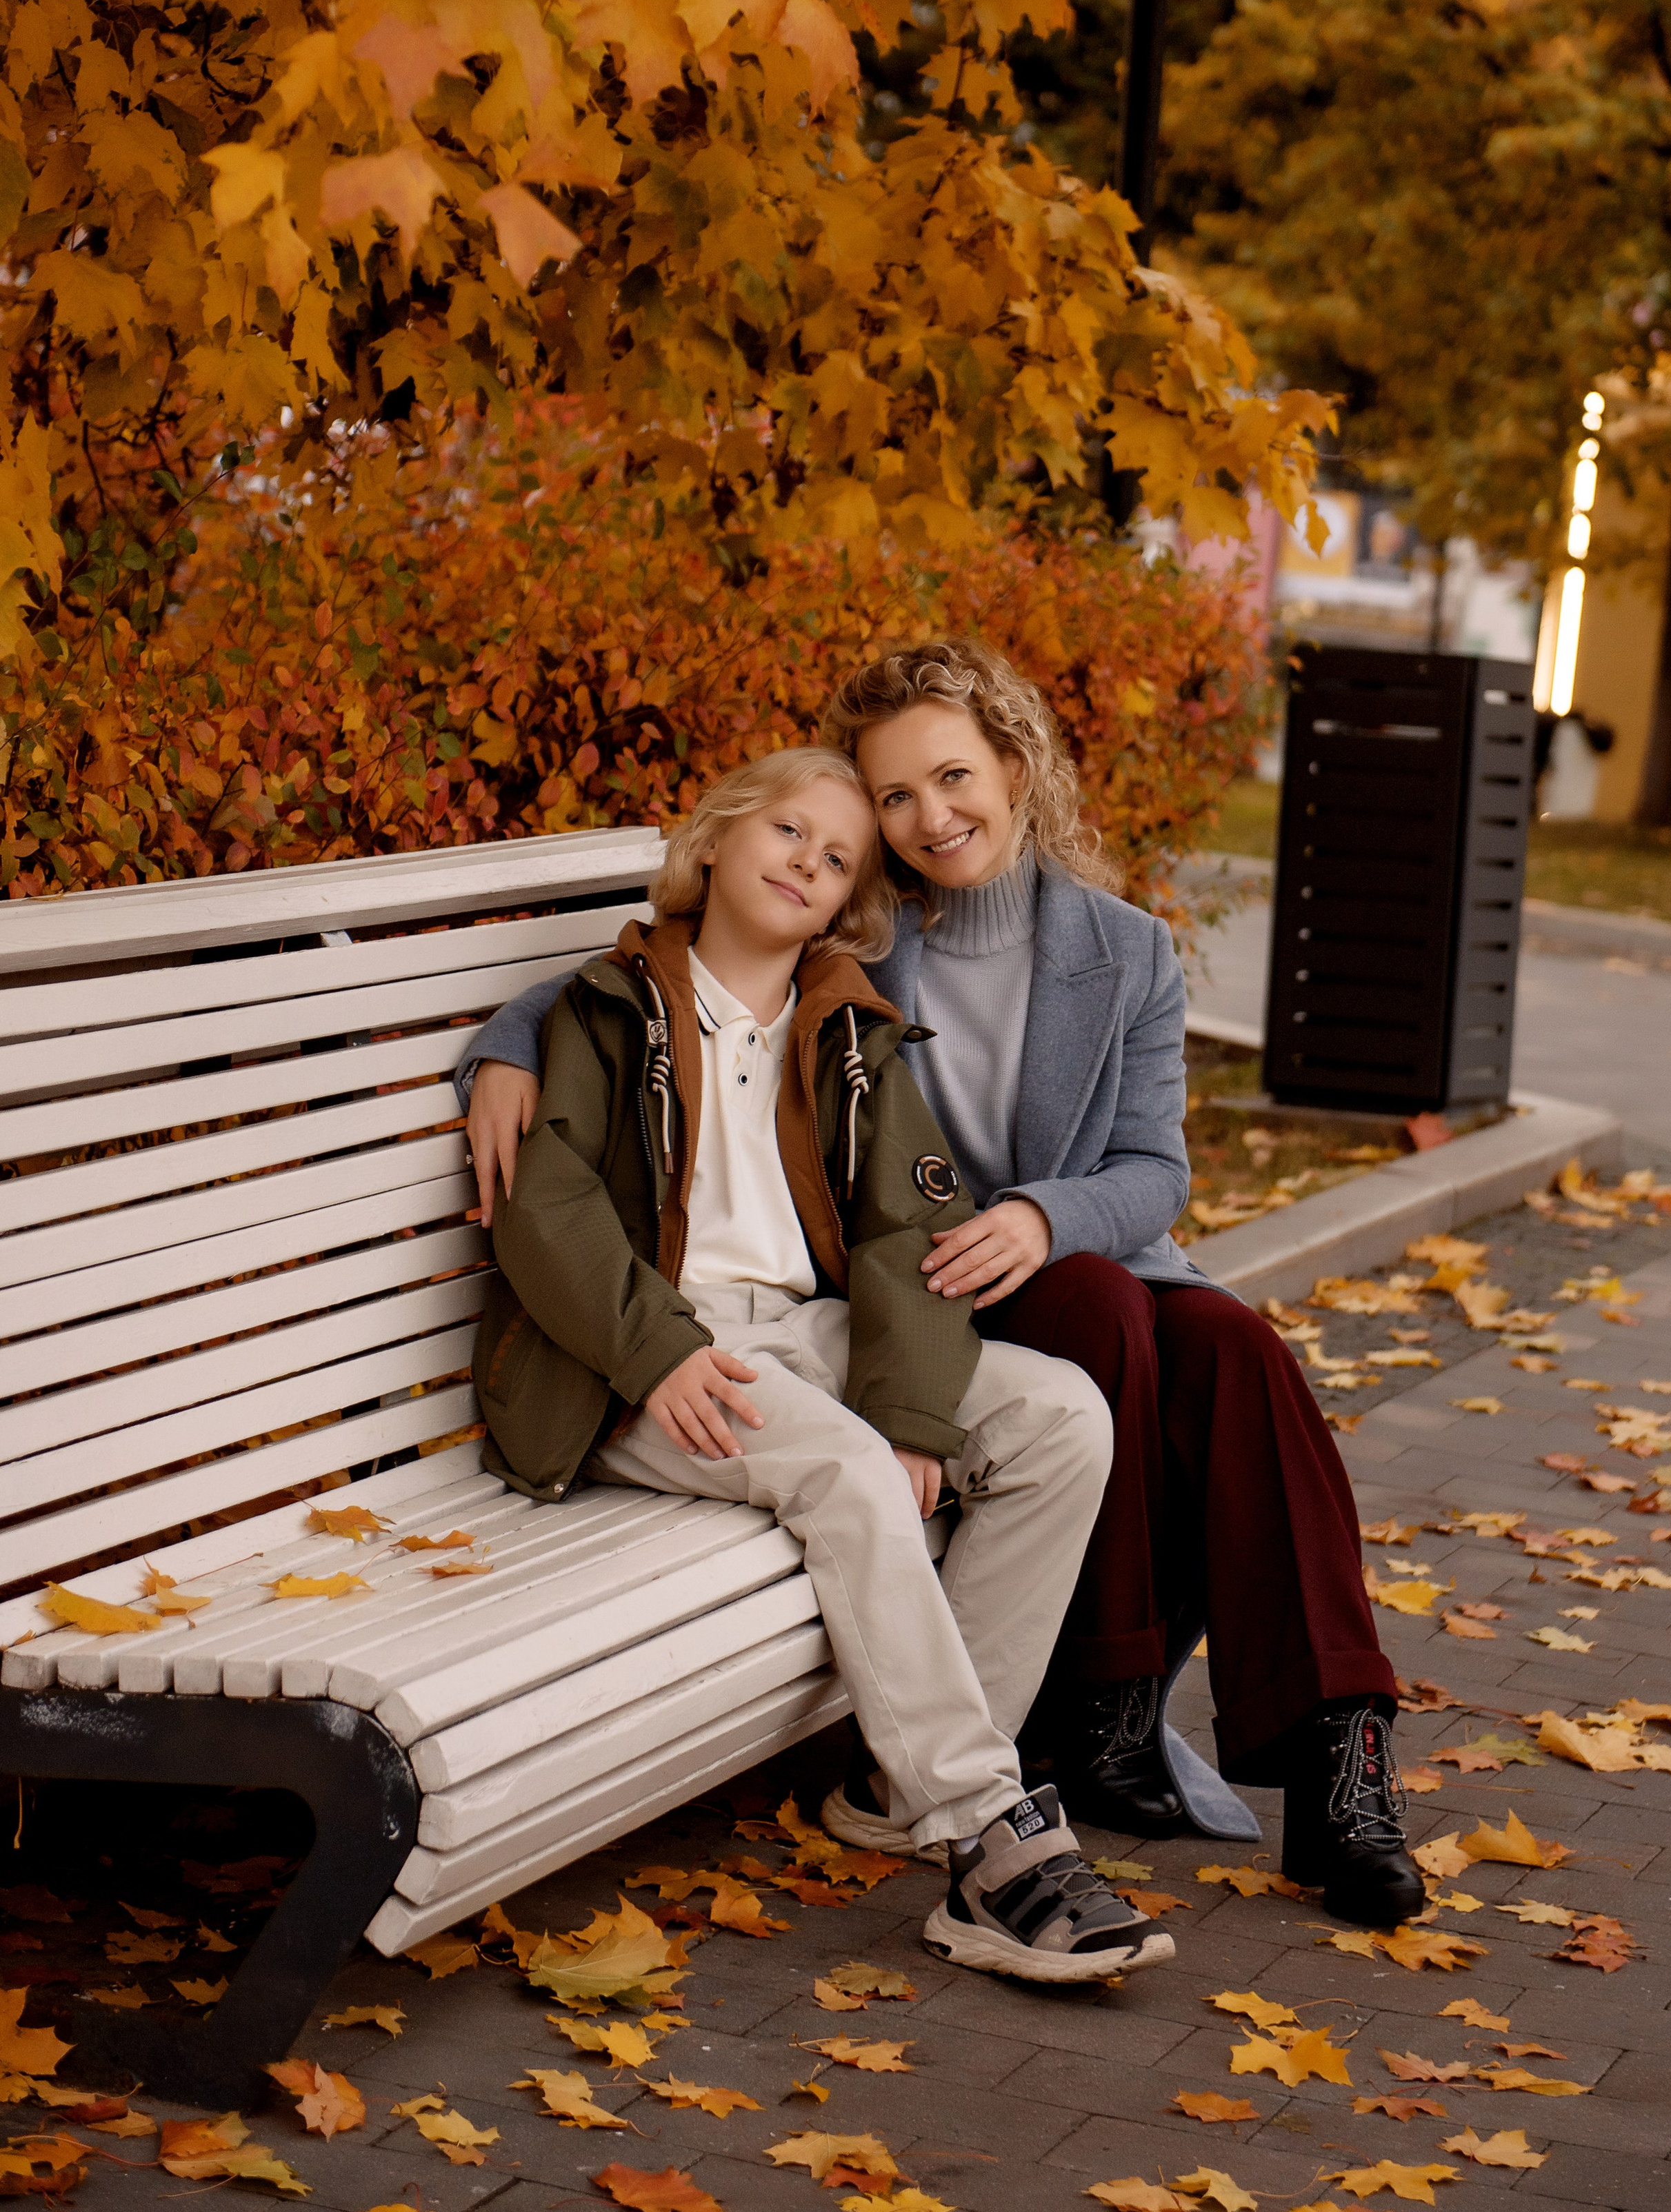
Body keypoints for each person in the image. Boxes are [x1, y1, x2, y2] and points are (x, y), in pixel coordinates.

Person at [461, 651, 1424, 1929]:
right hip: (916, 1287)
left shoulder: (1124, 951)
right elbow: (656, 976)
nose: (928, 816)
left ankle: (1342, 1756)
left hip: (1051, 1258)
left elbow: (1156, 1171)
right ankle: (1065, 1740)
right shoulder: (863, 939)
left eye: (953, 778)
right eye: (893, 797)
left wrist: (1041, 1214)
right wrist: (504, 1041)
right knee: (1098, 1323)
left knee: (1233, 1348)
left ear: (1016, 768)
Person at [471, 743, 1172, 1984]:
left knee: (1063, 1417)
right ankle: (984, 1838)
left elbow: (907, 1231)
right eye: (789, 829)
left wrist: (911, 1414)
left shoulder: (848, 1028)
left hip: (801, 1336)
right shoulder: (603, 1010)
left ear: (853, 901)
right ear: (721, 837)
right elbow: (548, 1209)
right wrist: (658, 1352)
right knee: (846, 1467)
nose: (809, 860)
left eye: (839, 856)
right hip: (632, 1362)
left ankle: (896, 1791)